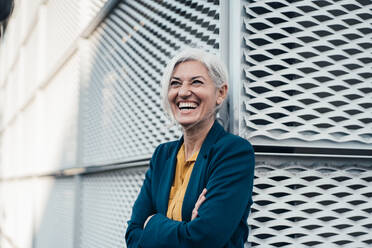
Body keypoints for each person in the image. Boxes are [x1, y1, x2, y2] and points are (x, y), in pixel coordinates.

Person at [125, 48, 255, 248]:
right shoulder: (162, 155)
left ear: (220, 93)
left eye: (196, 82)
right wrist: (186, 229)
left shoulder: (233, 153)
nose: (183, 92)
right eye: (175, 83)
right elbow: (133, 236)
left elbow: (203, 240)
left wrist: (152, 223)